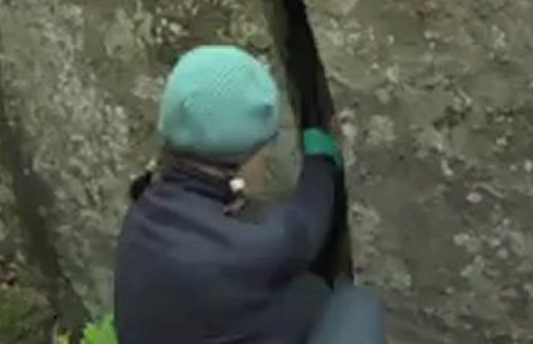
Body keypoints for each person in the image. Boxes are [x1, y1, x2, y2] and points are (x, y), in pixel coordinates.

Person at [114, 44, 387, 344]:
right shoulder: (255, 247)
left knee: (309, 292)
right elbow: (306, 224)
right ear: (244, 163)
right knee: (358, 307)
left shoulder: (142, 211)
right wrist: (321, 152)